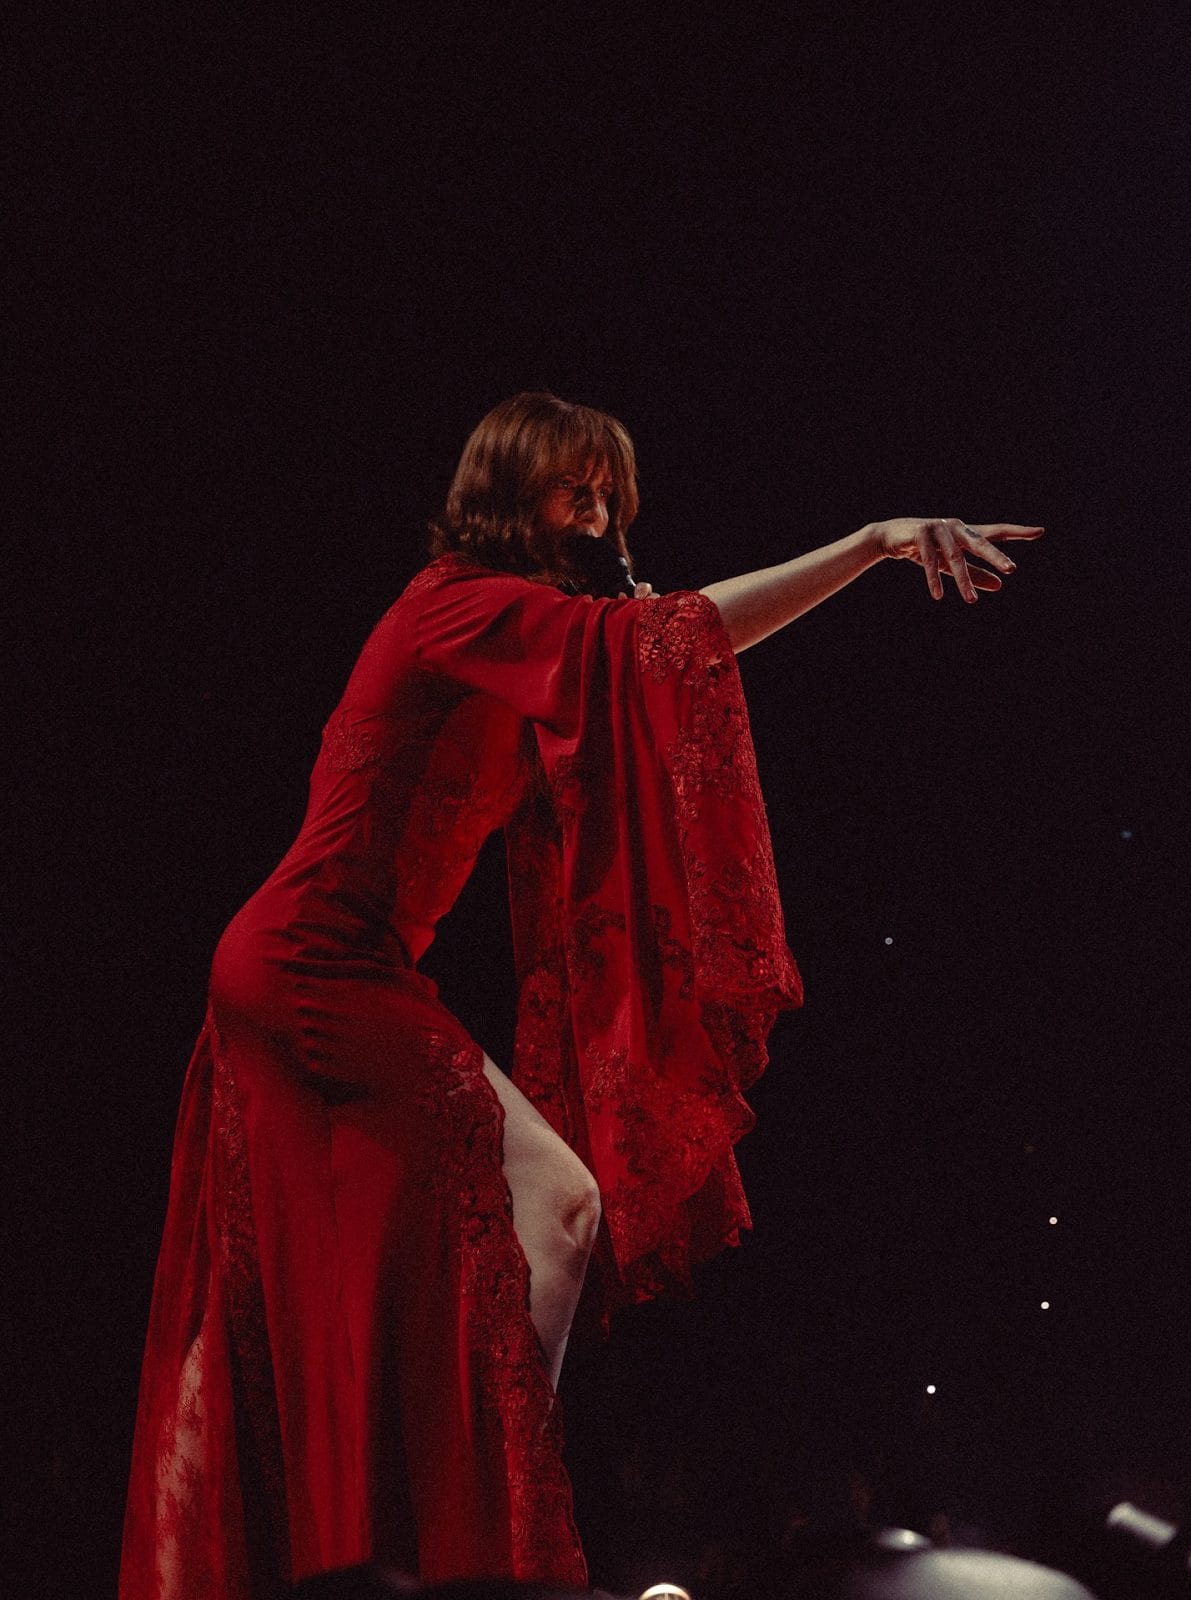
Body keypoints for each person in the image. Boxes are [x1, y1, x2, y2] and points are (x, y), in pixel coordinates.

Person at [119, 391, 1043, 1598]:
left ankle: (447, 1531)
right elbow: (667, 643)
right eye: (575, 489)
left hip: (342, 964)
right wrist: (870, 545)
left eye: (609, 495)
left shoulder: (502, 628)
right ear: (510, 490)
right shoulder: (457, 605)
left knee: (459, 1252)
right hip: (308, 963)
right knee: (554, 1207)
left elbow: (647, 666)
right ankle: (489, 1545)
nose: (598, 516)